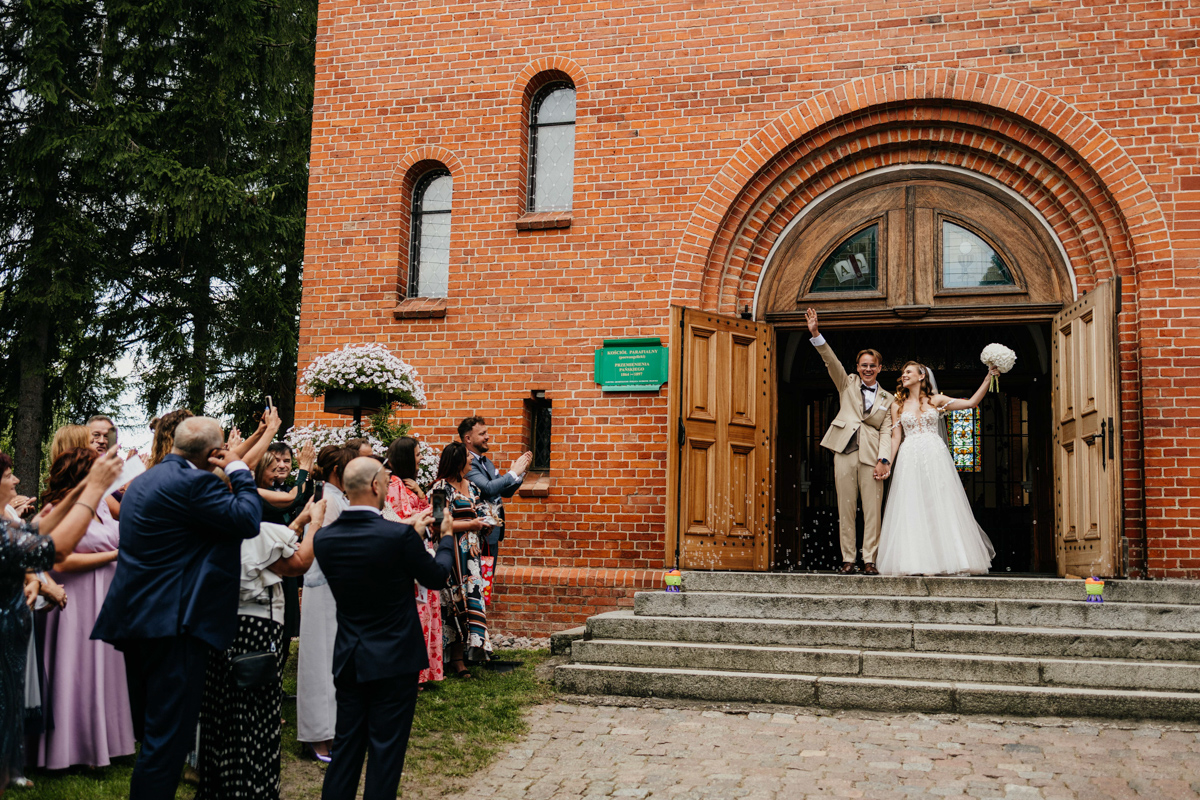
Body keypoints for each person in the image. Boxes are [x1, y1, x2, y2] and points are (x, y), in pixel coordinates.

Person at [91, 413, 275, 800]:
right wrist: (241, 470)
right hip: (174, 625)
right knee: (167, 741)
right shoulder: (194, 484)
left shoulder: (143, 481)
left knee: (155, 736)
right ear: (212, 454)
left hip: (137, 619)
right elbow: (246, 520)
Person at [315, 457, 454, 800]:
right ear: (376, 487)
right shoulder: (399, 537)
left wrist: (410, 533)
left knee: (346, 750)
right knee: (385, 753)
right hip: (394, 660)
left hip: (349, 656)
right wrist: (446, 537)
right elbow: (436, 576)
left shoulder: (325, 539)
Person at [0, 449, 123, 794]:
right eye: (8, 475)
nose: (16, 479)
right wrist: (93, 489)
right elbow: (56, 550)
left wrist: (77, 498)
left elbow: (34, 531)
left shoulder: (5, 528)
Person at [196, 496, 324, 800]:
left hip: (220, 626)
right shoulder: (256, 533)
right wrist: (316, 525)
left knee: (222, 709)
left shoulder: (210, 530)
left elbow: (264, 552)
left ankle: (218, 787)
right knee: (255, 714)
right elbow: (298, 564)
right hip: (254, 630)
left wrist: (299, 522)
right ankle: (251, 788)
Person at [35, 449, 135, 769]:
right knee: (73, 670)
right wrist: (113, 556)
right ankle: (67, 750)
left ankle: (103, 743)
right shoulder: (58, 510)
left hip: (105, 598)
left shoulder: (104, 506)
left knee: (103, 669)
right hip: (72, 603)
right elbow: (57, 558)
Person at [876, 361, 999, 576]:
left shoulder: (937, 400)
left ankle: (948, 558)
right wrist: (887, 462)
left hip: (934, 455)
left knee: (939, 504)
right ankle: (915, 561)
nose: (903, 376)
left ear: (921, 376)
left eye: (908, 372)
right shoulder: (898, 405)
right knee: (912, 506)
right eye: (903, 373)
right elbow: (896, 438)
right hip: (909, 456)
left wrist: (988, 378)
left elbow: (971, 403)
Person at [805, 308, 894, 575]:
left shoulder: (888, 399)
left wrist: (884, 460)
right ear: (857, 367)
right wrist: (816, 334)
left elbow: (887, 431)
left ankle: (869, 560)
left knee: (872, 511)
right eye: (863, 365)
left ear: (879, 368)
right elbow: (831, 362)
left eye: (872, 365)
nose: (867, 369)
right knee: (846, 509)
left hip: (872, 457)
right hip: (844, 452)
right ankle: (848, 559)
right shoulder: (847, 384)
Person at [296, 445, 354, 763]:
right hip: (322, 586)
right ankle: (315, 735)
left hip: (338, 588)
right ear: (336, 472)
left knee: (335, 663)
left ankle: (333, 730)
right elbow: (327, 545)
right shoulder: (327, 501)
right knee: (319, 662)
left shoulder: (341, 498)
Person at [431, 441, 493, 675]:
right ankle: (454, 660)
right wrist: (471, 524)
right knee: (453, 603)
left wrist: (485, 524)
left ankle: (472, 651)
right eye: (468, 457)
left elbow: (482, 513)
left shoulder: (474, 487)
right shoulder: (439, 489)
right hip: (451, 553)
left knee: (473, 599)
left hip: (472, 557)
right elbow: (437, 524)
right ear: (458, 461)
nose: (471, 460)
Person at [385, 437, 441, 686]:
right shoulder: (392, 484)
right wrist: (428, 512)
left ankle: (424, 671)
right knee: (418, 611)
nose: (419, 459)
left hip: (422, 548)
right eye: (417, 455)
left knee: (427, 609)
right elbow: (396, 518)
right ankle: (414, 672)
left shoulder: (408, 484)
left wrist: (419, 492)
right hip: (409, 550)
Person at [459, 416, 531, 565]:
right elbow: (488, 488)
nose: (487, 437)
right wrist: (513, 473)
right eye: (482, 434)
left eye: (486, 433)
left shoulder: (486, 462)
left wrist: (521, 473)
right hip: (477, 533)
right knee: (479, 579)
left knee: (488, 580)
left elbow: (504, 492)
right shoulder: (466, 464)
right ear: (468, 438)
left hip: (492, 532)